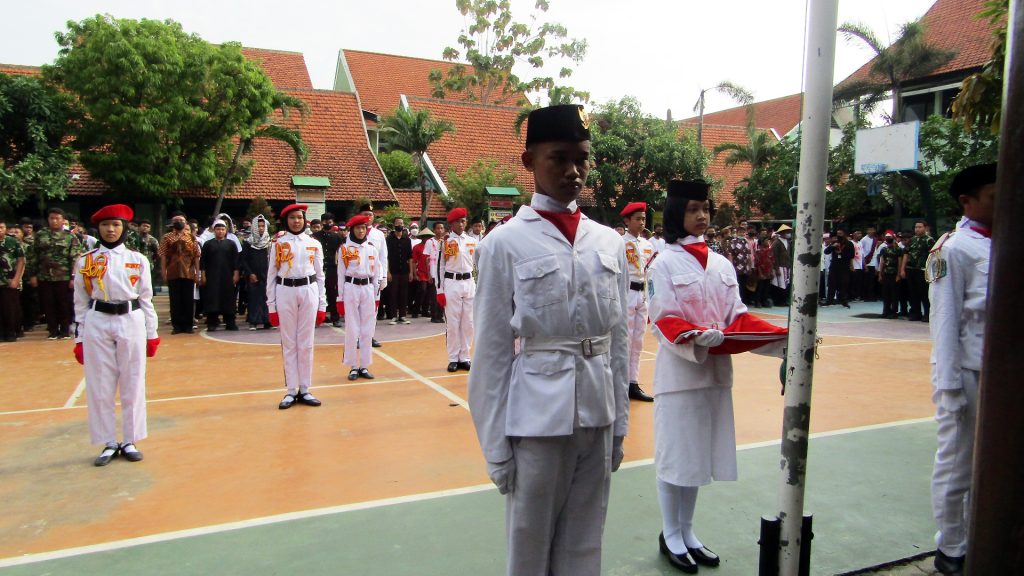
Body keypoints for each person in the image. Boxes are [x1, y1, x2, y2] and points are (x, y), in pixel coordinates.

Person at [468, 104, 629, 576]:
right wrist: (496, 448)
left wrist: (620, 425)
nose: (573, 170)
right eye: (559, 158)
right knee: (530, 544)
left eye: (582, 158)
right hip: (538, 417)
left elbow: (617, 342)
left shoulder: (608, 242)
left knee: (585, 542)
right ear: (529, 161)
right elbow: (492, 354)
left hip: (598, 411)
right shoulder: (504, 243)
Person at [648, 180, 786, 574]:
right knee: (675, 456)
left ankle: (688, 531)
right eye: (693, 209)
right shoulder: (663, 263)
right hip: (680, 375)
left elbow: (737, 316)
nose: (702, 216)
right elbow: (662, 318)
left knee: (697, 458)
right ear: (677, 213)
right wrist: (694, 336)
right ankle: (670, 533)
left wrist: (780, 336)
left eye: (706, 208)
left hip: (715, 374)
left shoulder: (722, 264)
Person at [926, 163, 995, 576]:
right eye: (993, 196)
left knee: (993, 463)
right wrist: (949, 387)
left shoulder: (1002, 242)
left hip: (1001, 374)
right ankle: (951, 546)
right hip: (967, 372)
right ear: (967, 201)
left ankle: (981, 535)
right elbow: (945, 320)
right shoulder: (953, 249)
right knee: (958, 463)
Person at [71, 204, 159, 466]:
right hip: (98, 320)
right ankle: (108, 441)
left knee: (133, 381)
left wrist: (151, 333)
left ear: (124, 228)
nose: (110, 229)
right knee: (100, 384)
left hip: (131, 320)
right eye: (105, 225)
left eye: (116, 225)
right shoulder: (86, 261)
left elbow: (146, 299)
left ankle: (130, 439)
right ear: (98, 228)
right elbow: (80, 302)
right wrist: (79, 337)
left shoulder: (138, 259)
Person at [267, 204, 326, 409]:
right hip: (285, 290)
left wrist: (322, 304)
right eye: (292, 218)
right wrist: (271, 306)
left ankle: (305, 388)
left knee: (306, 342)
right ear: (286, 220)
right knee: (289, 342)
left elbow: (320, 275)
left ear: (304, 220)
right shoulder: (278, 244)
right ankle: (291, 390)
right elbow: (271, 276)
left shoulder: (314, 243)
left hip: (309, 290)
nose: (296, 221)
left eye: (299, 217)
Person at [27, 207, 83, 340]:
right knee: (47, 303)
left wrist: (73, 277)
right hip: (44, 276)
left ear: (63, 220)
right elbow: (33, 255)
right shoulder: (40, 235)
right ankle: (52, 330)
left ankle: (64, 330)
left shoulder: (70, 237)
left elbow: (75, 258)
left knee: (64, 303)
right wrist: (32, 275)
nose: (54, 221)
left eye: (57, 218)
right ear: (48, 219)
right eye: (52, 218)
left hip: (63, 276)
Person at [337, 214, 380, 380]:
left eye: (363, 228)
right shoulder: (344, 249)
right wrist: (340, 298)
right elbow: (340, 274)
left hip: (368, 287)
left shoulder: (372, 248)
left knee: (367, 328)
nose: (361, 231)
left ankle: (364, 365)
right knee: (352, 328)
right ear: (352, 230)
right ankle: (353, 366)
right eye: (358, 228)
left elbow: (376, 272)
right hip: (351, 287)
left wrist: (376, 294)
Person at [620, 201, 655, 402]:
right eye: (637, 219)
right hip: (626, 292)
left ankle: (633, 382)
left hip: (642, 294)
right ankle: (621, 382)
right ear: (627, 221)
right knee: (625, 340)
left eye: (643, 219)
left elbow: (649, 273)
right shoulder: (620, 243)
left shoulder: (648, 245)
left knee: (638, 341)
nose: (642, 222)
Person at [436, 208, 476, 372]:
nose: (461, 224)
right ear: (451, 224)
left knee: (468, 323)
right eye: (458, 221)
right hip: (451, 282)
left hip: (469, 282)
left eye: (463, 221)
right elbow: (439, 266)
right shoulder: (445, 242)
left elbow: (477, 265)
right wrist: (440, 290)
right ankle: (453, 358)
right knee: (453, 323)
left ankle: (464, 357)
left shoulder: (472, 241)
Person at [159, 212, 201, 334]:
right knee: (175, 300)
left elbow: (196, 256)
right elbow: (163, 256)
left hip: (188, 272)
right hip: (173, 272)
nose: (178, 222)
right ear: (172, 223)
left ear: (185, 222)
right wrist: (163, 272)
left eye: (181, 220)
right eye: (176, 220)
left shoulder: (191, 237)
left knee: (188, 300)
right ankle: (176, 326)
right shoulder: (166, 237)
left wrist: (197, 272)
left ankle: (188, 325)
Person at [199, 221, 240, 331]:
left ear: (226, 231)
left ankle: (230, 322)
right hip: (212, 277)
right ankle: (212, 322)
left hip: (227, 276)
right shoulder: (208, 244)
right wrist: (203, 275)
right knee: (212, 299)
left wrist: (236, 274)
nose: (220, 231)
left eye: (222, 229)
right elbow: (203, 261)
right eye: (218, 229)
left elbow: (236, 261)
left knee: (228, 299)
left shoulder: (231, 244)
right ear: (214, 230)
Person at [359, 203, 387, 347]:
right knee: (359, 309)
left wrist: (384, 276)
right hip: (358, 276)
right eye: (365, 214)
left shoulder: (379, 234)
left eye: (370, 215)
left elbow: (383, 257)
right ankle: (358, 337)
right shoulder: (353, 233)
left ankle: (369, 336)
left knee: (373, 309)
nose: (368, 217)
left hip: (375, 276)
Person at [312, 212, 343, 328]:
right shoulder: (315, 236)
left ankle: (335, 318)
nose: (328, 224)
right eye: (325, 221)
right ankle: (317, 317)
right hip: (317, 268)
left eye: (330, 222)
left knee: (332, 293)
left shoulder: (337, 237)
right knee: (316, 293)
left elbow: (340, 252)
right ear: (322, 222)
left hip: (331, 268)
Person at [241, 215, 272, 330]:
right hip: (253, 275)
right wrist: (250, 273)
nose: (261, 228)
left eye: (263, 226)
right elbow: (244, 260)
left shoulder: (269, 242)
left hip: (267, 274)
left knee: (267, 298)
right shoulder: (248, 243)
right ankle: (253, 321)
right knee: (254, 298)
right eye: (258, 226)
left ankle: (267, 321)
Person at [902, 220, 935, 322]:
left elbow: (933, 256)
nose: (917, 229)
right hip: (911, 269)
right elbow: (906, 254)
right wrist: (902, 269)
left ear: (925, 228)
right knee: (913, 293)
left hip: (923, 270)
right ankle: (915, 313)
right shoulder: (912, 240)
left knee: (924, 293)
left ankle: (927, 314)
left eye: (920, 227)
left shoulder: (929, 240)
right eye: (916, 227)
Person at [0, 221, 26, 342]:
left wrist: (17, 279)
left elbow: (21, 261)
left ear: (5, 229)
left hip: (9, 280)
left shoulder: (13, 242)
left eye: (1, 227)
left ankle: (11, 332)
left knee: (10, 308)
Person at [385, 218, 413, 324]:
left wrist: (411, 272)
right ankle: (393, 316)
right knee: (393, 293)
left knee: (404, 293)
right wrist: (388, 272)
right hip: (393, 271)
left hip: (405, 270)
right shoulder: (389, 239)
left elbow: (410, 257)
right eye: (397, 223)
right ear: (394, 225)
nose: (400, 225)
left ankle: (402, 315)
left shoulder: (407, 240)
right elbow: (386, 257)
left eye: (401, 223)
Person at [423, 221, 446, 324]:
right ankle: (434, 315)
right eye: (438, 228)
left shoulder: (446, 241)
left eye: (441, 228)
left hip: (443, 272)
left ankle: (440, 315)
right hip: (433, 271)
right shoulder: (430, 242)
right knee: (433, 295)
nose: (440, 230)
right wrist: (428, 274)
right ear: (434, 230)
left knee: (442, 293)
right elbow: (427, 259)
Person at [824, 229, 854, 307]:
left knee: (843, 284)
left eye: (840, 233)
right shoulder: (835, 243)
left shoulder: (849, 244)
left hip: (844, 267)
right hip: (834, 266)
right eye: (838, 233)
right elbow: (826, 251)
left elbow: (852, 255)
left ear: (844, 234)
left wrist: (841, 253)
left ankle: (843, 300)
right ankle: (829, 300)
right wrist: (832, 246)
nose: (839, 235)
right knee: (831, 284)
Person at [876, 231, 902, 319]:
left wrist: (898, 274)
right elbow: (882, 262)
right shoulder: (884, 249)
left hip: (894, 273)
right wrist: (880, 274)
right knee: (886, 293)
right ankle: (885, 311)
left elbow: (899, 262)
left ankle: (894, 312)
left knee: (894, 294)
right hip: (886, 273)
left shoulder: (898, 249)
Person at [410, 227, 434, 318]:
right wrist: (414, 274)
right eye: (425, 236)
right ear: (422, 237)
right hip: (421, 272)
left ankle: (425, 310)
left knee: (428, 293)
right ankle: (415, 310)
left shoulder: (433, 247)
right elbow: (413, 261)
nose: (426, 238)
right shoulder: (416, 247)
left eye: (428, 236)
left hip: (430, 272)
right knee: (422, 291)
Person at [770, 224, 793, 305]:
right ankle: (778, 301)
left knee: (786, 284)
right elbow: (774, 256)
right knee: (779, 284)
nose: (788, 233)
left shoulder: (788, 242)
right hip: (779, 266)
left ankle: (784, 300)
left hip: (787, 266)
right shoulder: (776, 243)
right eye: (787, 232)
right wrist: (776, 269)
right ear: (782, 232)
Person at [137, 220, 161, 290]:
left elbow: (157, 253)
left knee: (148, 283)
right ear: (139, 227)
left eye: (147, 227)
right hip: (135, 263)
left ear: (150, 229)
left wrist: (152, 261)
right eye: (144, 226)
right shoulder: (134, 238)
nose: (145, 228)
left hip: (148, 264)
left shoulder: (153, 240)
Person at [754, 236, 775, 308]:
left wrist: (772, 272)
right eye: (766, 241)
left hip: (768, 272)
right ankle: (757, 302)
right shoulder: (758, 251)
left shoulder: (770, 251)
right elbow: (757, 263)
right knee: (760, 287)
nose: (767, 242)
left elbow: (772, 262)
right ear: (762, 242)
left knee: (766, 288)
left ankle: (764, 301)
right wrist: (760, 273)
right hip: (761, 272)